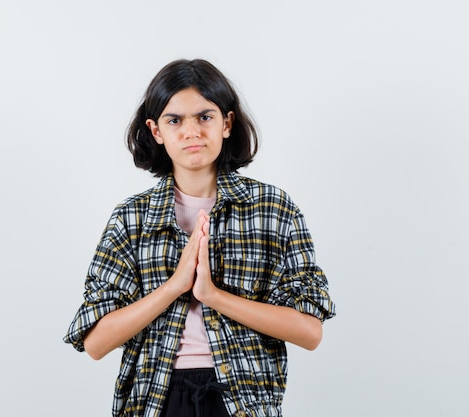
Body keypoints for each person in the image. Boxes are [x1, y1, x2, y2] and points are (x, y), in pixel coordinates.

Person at [64, 59, 336, 417]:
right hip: (157, 399)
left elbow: (309, 332)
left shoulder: (273, 208)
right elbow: (96, 343)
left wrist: (212, 295)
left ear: (227, 123)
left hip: (243, 399)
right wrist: (175, 286)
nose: (191, 131)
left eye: (204, 117)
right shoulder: (132, 217)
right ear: (156, 130)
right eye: (174, 120)